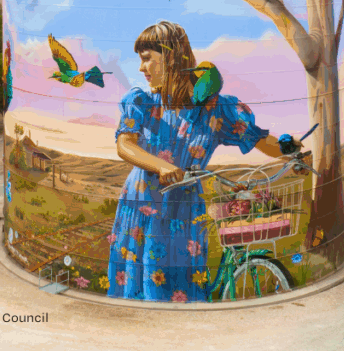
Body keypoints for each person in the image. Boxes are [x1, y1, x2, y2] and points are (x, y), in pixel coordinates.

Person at [106, 20, 302, 302]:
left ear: (171, 57)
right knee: (142, 289)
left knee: (184, 288)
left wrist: (291, 149)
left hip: (185, 212)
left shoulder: (215, 110)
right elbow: (125, 145)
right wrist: (161, 166)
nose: (141, 68)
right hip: (143, 208)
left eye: (147, 59)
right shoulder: (143, 103)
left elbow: (259, 140)